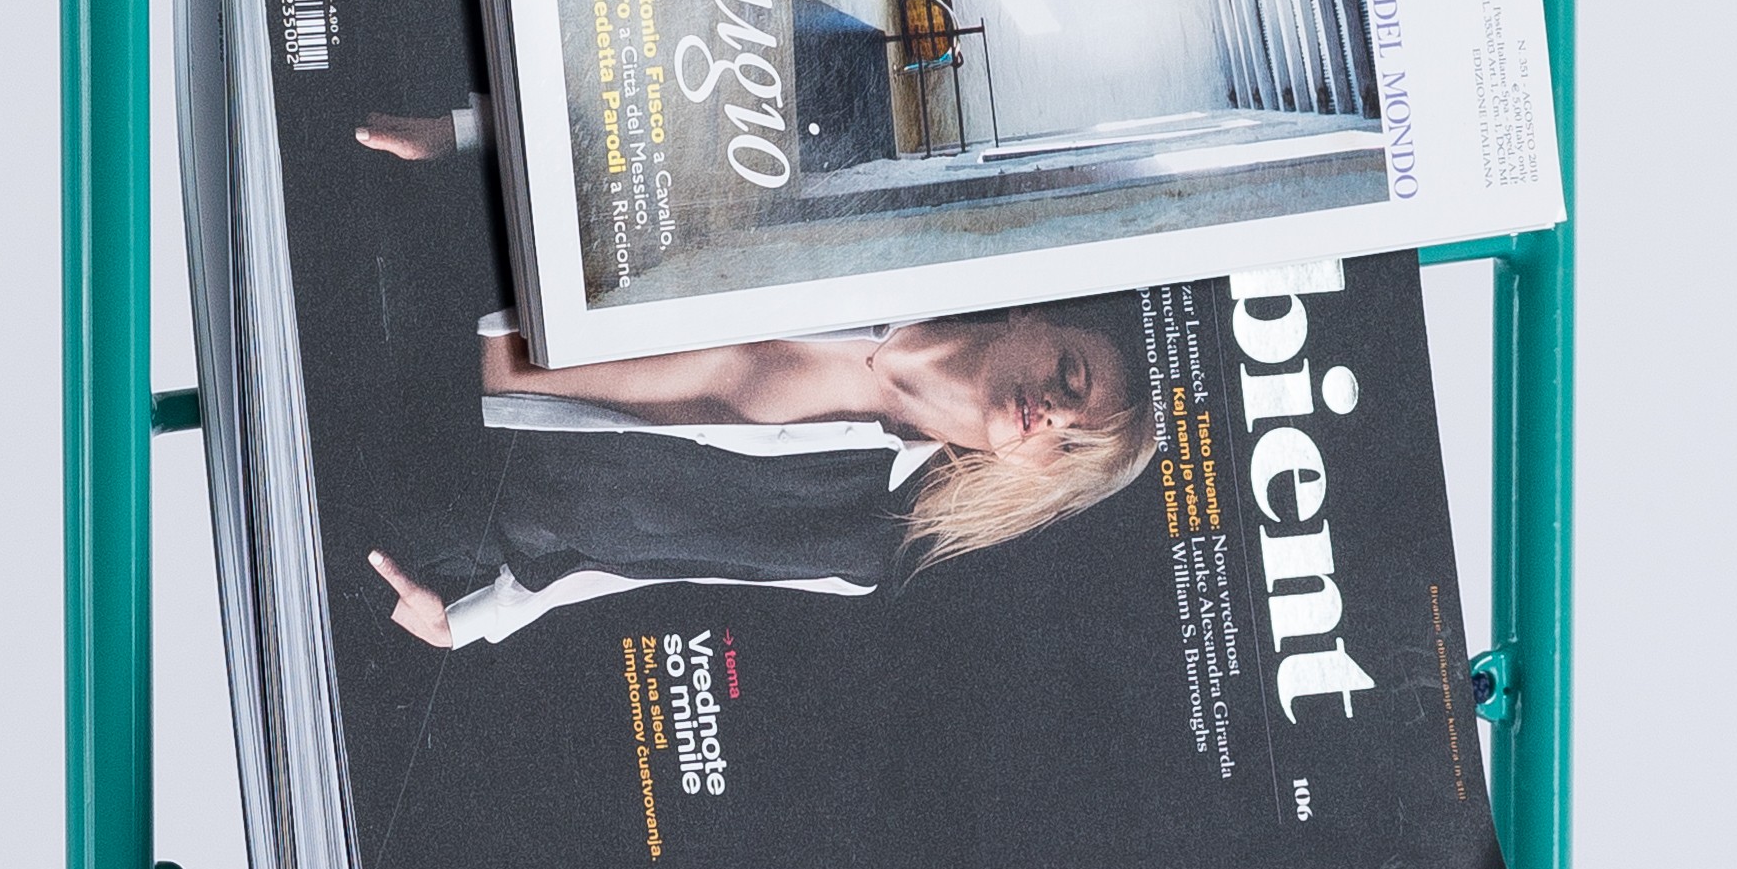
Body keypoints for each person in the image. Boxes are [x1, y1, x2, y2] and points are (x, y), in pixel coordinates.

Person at [365, 301, 1160, 651]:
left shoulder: (852, 542)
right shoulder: (861, 254)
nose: (1054, 413)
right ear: (1034, 317)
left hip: (447, 500)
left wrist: (468, 619)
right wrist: (463, 130)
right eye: (1072, 374)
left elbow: (644, 567)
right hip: (432, 296)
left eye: (1070, 445)